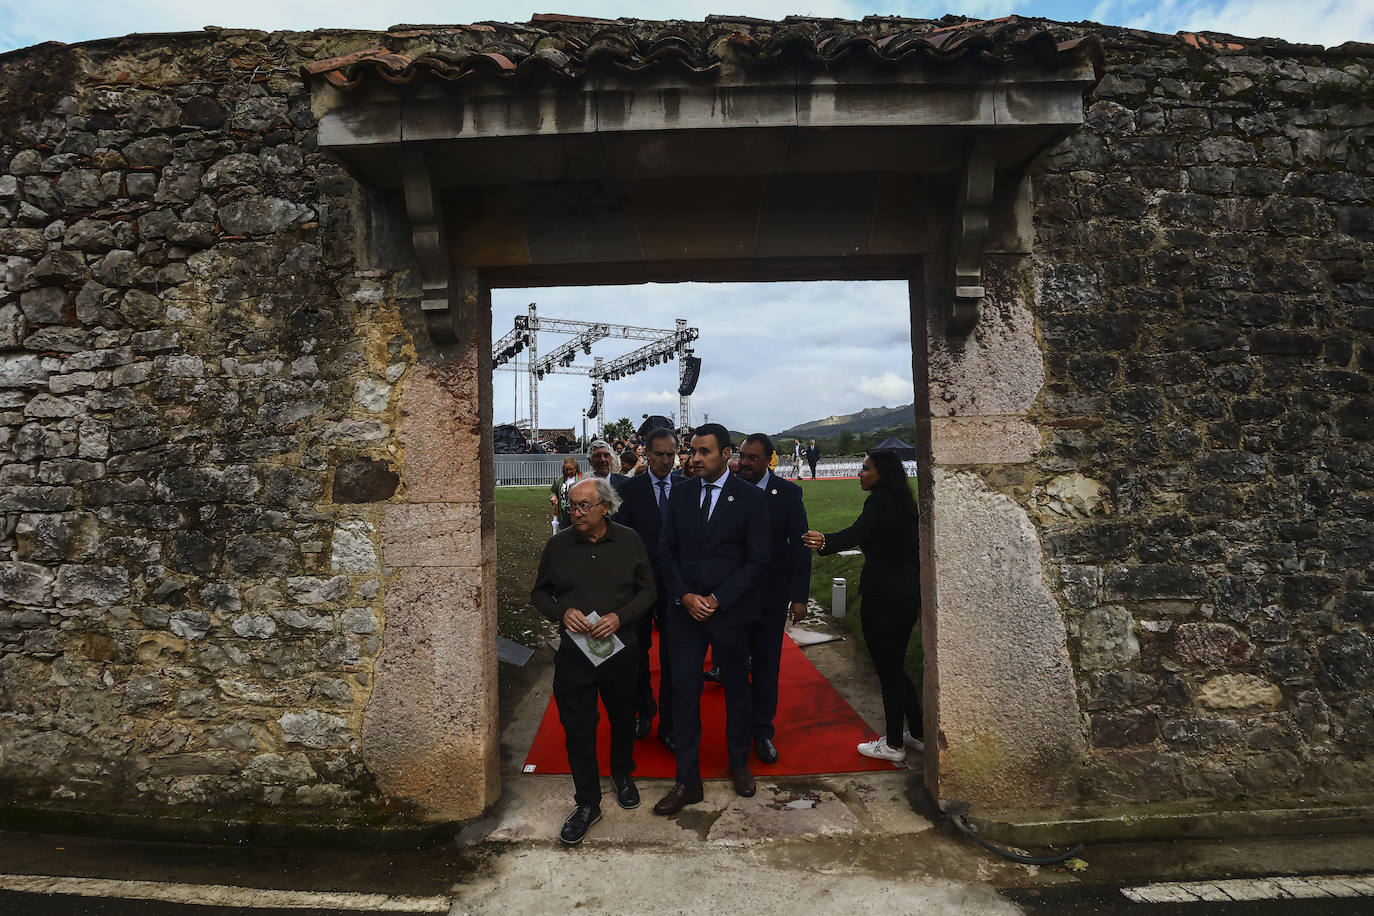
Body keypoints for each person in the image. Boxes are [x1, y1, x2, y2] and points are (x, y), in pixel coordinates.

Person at [530, 477, 656, 844]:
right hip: (574, 655)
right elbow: (539, 593)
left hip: (620, 649)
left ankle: (622, 773)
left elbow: (649, 589)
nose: (576, 511)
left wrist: (622, 617)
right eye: (572, 505)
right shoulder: (558, 545)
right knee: (577, 727)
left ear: (605, 507)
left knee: (622, 717)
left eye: (585, 505)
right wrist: (562, 611)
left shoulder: (629, 540)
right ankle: (587, 802)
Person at [654, 423, 770, 814]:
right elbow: (666, 552)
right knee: (684, 694)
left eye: (704, 451)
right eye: (692, 451)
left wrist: (718, 599)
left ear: (725, 454)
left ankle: (739, 762)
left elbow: (758, 561)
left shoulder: (751, 499)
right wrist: (685, 596)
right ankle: (687, 781)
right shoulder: (681, 494)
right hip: (685, 615)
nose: (694, 458)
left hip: (731, 614)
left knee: (737, 689)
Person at [801, 450, 923, 763]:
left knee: (888, 670)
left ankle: (894, 743)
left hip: (883, 596)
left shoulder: (879, 502)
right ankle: (918, 732)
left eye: (866, 469)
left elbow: (858, 533)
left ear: (882, 473)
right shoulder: (904, 503)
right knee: (895, 665)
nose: (860, 473)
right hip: (907, 594)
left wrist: (824, 541)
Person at [735, 433, 811, 764]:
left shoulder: (789, 494)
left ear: (769, 460)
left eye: (753, 458)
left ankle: (762, 731)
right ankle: (736, 731)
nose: (745, 463)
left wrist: (799, 596)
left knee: (766, 667)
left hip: (770, 597)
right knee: (736, 668)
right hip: (733, 596)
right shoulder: (729, 490)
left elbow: (800, 546)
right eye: (743, 457)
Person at [612, 427, 682, 747]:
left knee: (673, 658)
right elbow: (619, 539)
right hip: (639, 590)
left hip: (677, 589)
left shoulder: (687, 488)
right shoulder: (630, 490)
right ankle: (644, 709)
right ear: (647, 454)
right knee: (638, 654)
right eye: (660, 454)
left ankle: (670, 722)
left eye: (671, 454)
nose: (666, 461)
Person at [549, 456, 581, 530]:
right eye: (566, 470)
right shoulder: (560, 480)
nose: (569, 472)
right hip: (563, 513)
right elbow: (554, 492)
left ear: (576, 468)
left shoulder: (581, 479)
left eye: (571, 469)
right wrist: (553, 496)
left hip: (577, 512)